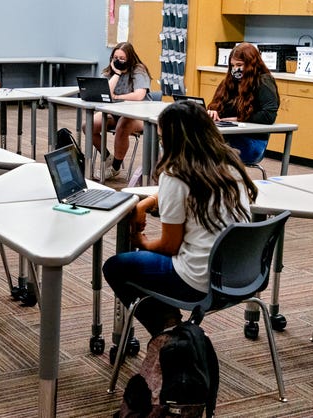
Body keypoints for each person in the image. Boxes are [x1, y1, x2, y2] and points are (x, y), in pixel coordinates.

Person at [103, 101, 258, 337]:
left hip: (197, 281)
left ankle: (169, 332)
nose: (161, 142)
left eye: (163, 136)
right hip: (242, 276)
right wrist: (147, 202)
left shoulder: (176, 174)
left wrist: (141, 242)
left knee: (116, 267)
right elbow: (181, 194)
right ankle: (171, 327)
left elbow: (169, 246)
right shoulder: (229, 165)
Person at [86, 42, 152, 180]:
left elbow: (139, 95)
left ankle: (115, 167)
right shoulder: (110, 71)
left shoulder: (139, 70)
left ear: (130, 59)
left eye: (122, 58)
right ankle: (108, 157)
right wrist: (116, 74)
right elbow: (105, 93)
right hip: (114, 113)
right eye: (115, 58)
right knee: (88, 125)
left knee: (123, 126)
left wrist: (117, 97)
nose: (118, 61)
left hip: (139, 115)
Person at [207, 42, 280, 165]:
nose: (235, 69)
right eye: (232, 66)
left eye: (239, 65)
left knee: (202, 147)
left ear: (251, 64)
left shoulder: (263, 81)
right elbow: (216, 104)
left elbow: (268, 116)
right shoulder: (229, 82)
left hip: (252, 142)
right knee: (195, 142)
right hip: (228, 136)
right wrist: (213, 111)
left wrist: (238, 119)